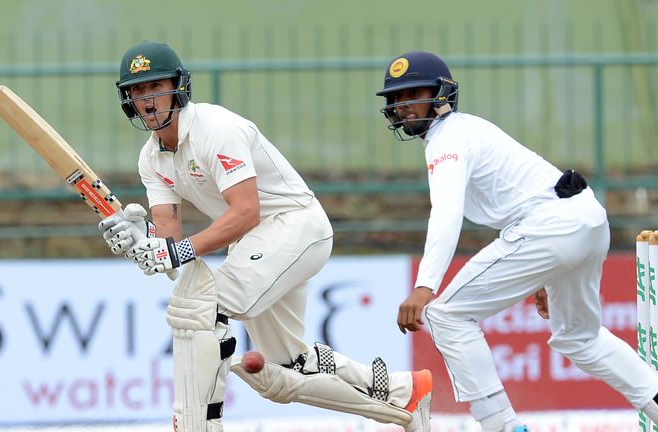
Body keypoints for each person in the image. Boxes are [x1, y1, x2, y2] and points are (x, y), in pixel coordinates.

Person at [97, 41, 432, 432]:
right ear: (128, 100)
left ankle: (195, 426)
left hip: (296, 226)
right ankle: (404, 394)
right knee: (285, 370)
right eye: (137, 91)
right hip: (256, 243)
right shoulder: (151, 158)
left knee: (199, 304)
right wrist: (143, 241)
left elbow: (245, 211)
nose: (148, 100)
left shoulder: (216, 129)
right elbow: (170, 249)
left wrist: (173, 252)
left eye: (156, 86)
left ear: (179, 86)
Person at [375, 50, 658, 432]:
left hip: (549, 227)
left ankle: (503, 426)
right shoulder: (467, 131)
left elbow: (447, 212)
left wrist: (425, 285)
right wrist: (543, 272)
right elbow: (523, 198)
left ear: (441, 94)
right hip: (584, 220)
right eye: (397, 99)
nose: (403, 107)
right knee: (579, 337)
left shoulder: (446, 139)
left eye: (412, 94)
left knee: (447, 314)